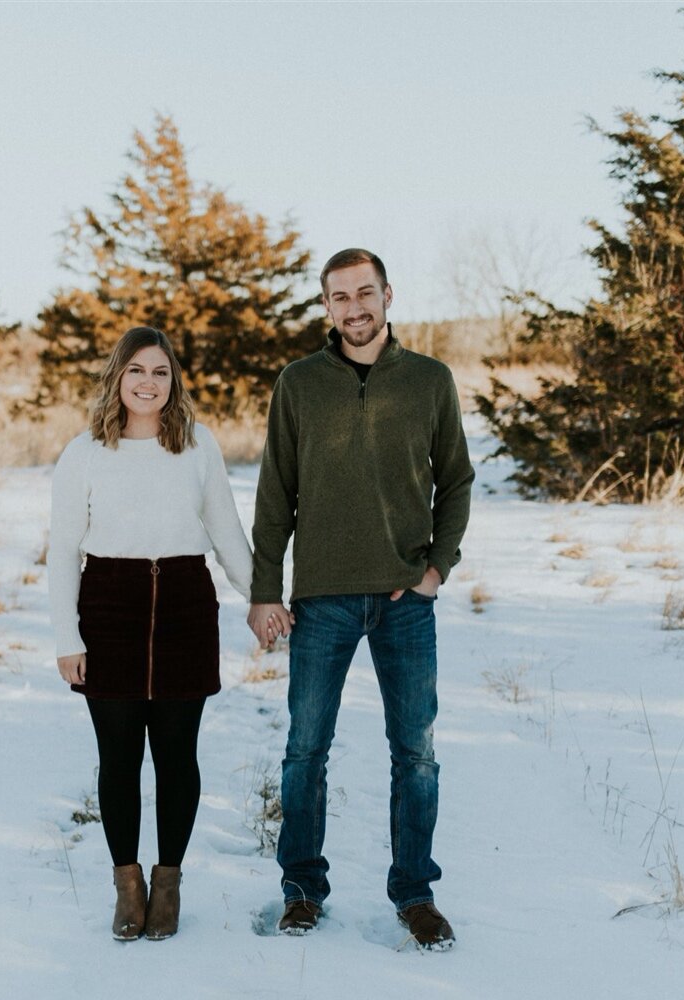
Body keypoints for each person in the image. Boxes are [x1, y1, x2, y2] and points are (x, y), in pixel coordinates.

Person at [248, 248, 474, 950]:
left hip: (405, 600)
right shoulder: (299, 383)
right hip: (321, 601)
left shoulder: (430, 381)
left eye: (365, 293)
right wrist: (264, 590)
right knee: (305, 751)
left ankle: (414, 895)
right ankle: (301, 891)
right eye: (340, 297)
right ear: (325, 307)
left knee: (417, 754)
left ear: (388, 295)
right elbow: (274, 493)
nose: (354, 308)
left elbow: (458, 480)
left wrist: (437, 568)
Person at [49, 326, 252, 942]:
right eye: (136, 370)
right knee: (118, 760)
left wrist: (264, 597)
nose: (147, 382)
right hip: (110, 608)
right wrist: (67, 636)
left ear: (173, 382)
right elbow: (61, 550)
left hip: (186, 609)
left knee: (176, 758)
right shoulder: (83, 452)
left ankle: (168, 882)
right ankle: (127, 884)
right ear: (117, 377)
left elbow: (225, 531)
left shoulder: (198, 446)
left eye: (160, 372)